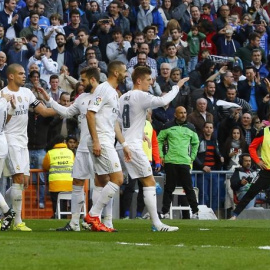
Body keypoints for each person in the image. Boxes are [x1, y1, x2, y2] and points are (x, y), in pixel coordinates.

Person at [40, 67, 113, 231]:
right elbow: (66, 112)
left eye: (84, 80)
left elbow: (113, 120)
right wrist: (50, 101)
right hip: (83, 147)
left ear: (93, 79)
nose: (81, 83)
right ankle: (74, 223)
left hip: (100, 145)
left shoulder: (106, 94)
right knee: (77, 182)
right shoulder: (81, 98)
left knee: (103, 182)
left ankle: (106, 221)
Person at [117, 66, 189, 231]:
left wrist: (139, 132)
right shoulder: (140, 95)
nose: (151, 83)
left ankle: (97, 216)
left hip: (122, 145)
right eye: (148, 80)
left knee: (114, 180)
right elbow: (163, 101)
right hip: (133, 147)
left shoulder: (123, 98)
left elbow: (120, 123)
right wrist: (176, 87)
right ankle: (157, 224)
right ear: (139, 81)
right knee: (149, 181)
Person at [1, 63, 56, 231]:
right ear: (11, 76)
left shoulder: (27, 93)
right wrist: (11, 108)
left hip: (23, 142)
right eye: (20, 73)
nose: (24, 76)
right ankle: (17, 221)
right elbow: (3, 122)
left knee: (23, 182)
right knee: (17, 179)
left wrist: (67, 108)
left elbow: (44, 112)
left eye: (24, 73)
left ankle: (5, 214)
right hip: (10, 141)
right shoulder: (3, 95)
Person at [84, 61, 131, 232]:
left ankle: (103, 221)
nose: (127, 74)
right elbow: (90, 113)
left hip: (107, 138)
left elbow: (114, 124)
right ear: (116, 73)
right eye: (125, 71)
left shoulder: (114, 93)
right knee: (118, 179)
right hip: (101, 140)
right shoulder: (104, 89)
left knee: (103, 181)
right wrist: (96, 140)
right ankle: (93, 215)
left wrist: (124, 144)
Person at [158, 106, 200, 219]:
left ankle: (195, 212)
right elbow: (159, 140)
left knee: (188, 188)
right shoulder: (167, 126)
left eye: (185, 112)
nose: (183, 115)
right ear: (175, 115)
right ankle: (165, 212)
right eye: (181, 113)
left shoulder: (191, 127)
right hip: (170, 161)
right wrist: (162, 156)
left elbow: (196, 143)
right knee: (169, 188)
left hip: (184, 161)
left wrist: (192, 157)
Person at [230, 120, 270, 220]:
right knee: (251, 192)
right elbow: (252, 147)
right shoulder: (264, 132)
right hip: (266, 170)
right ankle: (235, 215)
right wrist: (257, 161)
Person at [193, 122, 224, 211]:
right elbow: (194, 155)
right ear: (203, 129)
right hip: (202, 172)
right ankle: (202, 213)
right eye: (207, 127)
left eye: (211, 127)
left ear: (213, 130)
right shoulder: (199, 140)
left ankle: (213, 213)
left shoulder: (215, 141)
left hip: (213, 171)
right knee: (203, 194)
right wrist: (202, 166)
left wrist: (220, 158)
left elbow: (217, 154)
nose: (209, 129)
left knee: (215, 194)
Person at [42, 135, 74, 218]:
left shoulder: (50, 153)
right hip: (68, 183)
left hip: (55, 183)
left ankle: (57, 215)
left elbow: (45, 166)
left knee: (56, 201)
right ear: (64, 142)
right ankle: (63, 216)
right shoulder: (70, 153)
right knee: (64, 201)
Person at [0, 91, 16, 231]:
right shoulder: (3, 103)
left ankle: (7, 212)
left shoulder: (1, 103)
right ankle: (7, 212)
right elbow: (6, 119)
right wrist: (12, 107)